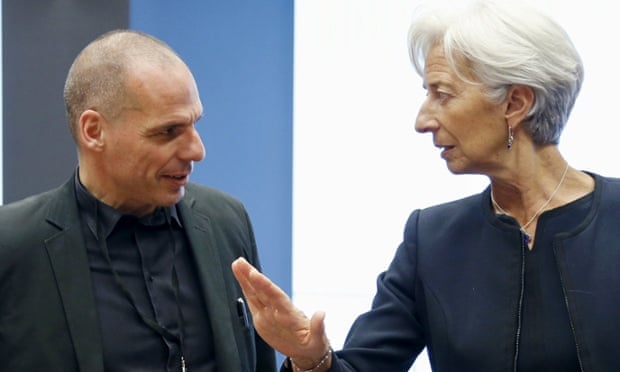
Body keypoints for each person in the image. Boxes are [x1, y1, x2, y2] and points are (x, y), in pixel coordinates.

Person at [231, 0, 620, 371]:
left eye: (442, 94)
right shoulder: (432, 239)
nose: (422, 120)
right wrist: (311, 358)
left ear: (515, 103)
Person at [0, 29, 276, 371]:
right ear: (93, 131)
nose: (197, 151)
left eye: (194, 125)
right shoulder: (11, 246)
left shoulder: (225, 220)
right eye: (168, 131)